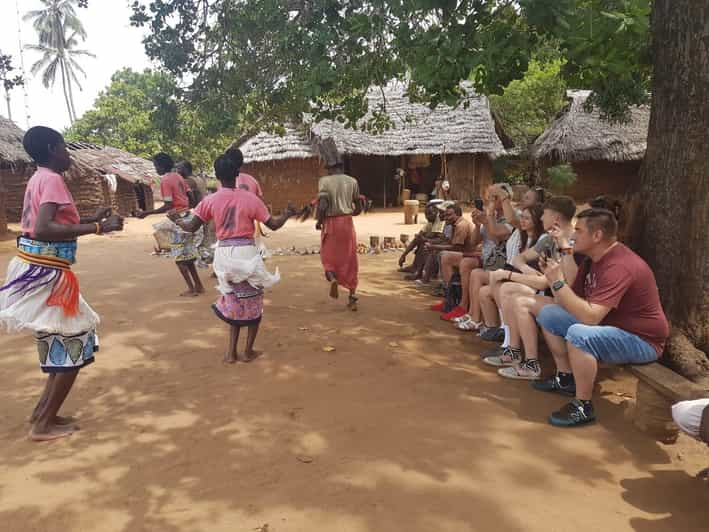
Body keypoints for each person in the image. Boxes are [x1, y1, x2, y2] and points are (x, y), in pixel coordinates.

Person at [0, 126, 124, 441]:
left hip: (39, 268)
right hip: (47, 272)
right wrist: (98, 226)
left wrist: (90, 217)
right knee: (75, 341)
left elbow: (54, 221)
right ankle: (42, 424)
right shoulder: (53, 179)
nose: (68, 154)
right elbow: (43, 228)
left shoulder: (39, 177)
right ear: (54, 148)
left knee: (59, 337)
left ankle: (43, 413)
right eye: (65, 148)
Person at [533, 208, 669, 427]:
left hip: (642, 340)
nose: (573, 235)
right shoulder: (592, 259)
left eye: (578, 230)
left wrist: (557, 282)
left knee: (579, 334)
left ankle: (583, 405)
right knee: (548, 314)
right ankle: (565, 377)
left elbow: (590, 317)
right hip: (610, 326)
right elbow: (574, 300)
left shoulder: (619, 265)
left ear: (596, 236)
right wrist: (555, 277)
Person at [171, 155, 296, 363]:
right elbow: (273, 224)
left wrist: (176, 220)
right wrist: (288, 213)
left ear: (217, 176)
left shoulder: (209, 201)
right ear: (238, 173)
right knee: (254, 302)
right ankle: (247, 351)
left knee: (233, 302)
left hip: (223, 254)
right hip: (246, 253)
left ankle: (230, 353)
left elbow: (191, 227)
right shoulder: (250, 199)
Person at [485, 195, 579, 379]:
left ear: (556, 218)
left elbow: (554, 281)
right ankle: (513, 350)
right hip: (552, 294)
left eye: (544, 214)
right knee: (507, 290)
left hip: (568, 300)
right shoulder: (548, 239)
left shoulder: (571, 243)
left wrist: (509, 274)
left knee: (519, 300)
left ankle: (531, 363)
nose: (542, 218)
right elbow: (520, 259)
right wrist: (528, 270)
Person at [137, 153, 205, 297]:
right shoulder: (179, 176)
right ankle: (198, 286)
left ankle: (192, 289)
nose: (155, 168)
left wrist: (147, 213)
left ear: (162, 166)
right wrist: (186, 208)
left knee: (180, 258)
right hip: (188, 217)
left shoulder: (166, 180)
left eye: (156, 166)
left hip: (177, 220)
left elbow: (167, 205)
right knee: (188, 256)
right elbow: (191, 197)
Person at [445, 184, 514, 323]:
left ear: (506, 198)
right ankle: (458, 304)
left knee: (470, 267)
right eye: (489, 198)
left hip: (500, 263)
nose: (491, 202)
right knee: (455, 259)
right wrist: (477, 224)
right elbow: (474, 242)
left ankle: (470, 312)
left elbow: (497, 238)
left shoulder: (512, 217)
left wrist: (487, 220)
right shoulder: (490, 215)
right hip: (487, 259)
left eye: (495, 198)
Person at [475, 203, 545, 339]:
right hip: (521, 279)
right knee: (485, 290)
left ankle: (506, 331)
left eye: (527, 218)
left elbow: (538, 276)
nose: (522, 221)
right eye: (522, 217)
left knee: (502, 286)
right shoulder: (522, 237)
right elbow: (517, 261)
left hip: (534, 285)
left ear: (537, 221)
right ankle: (495, 328)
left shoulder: (542, 240)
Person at [317, 161, 362, 310]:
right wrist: (350, 212)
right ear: (342, 168)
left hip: (331, 224)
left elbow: (323, 205)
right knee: (350, 260)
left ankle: (332, 278)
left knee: (328, 258)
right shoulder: (352, 181)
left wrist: (319, 221)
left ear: (330, 168)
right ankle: (352, 297)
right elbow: (358, 207)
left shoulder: (324, 181)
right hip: (347, 223)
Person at [426, 203, 478, 311]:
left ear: (458, 215)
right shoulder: (454, 225)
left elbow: (456, 248)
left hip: (471, 255)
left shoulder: (461, 225)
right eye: (445, 215)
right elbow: (451, 243)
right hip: (464, 254)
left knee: (444, 256)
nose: (446, 218)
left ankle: (451, 298)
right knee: (441, 254)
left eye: (449, 215)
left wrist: (435, 246)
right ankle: (449, 297)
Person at [398, 204, 445, 279]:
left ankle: (419, 272)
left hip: (442, 246)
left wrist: (425, 239)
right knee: (420, 241)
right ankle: (415, 266)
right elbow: (418, 237)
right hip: (436, 244)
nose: (427, 216)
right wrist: (404, 255)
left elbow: (439, 239)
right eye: (426, 214)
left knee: (425, 245)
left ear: (436, 213)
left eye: (430, 214)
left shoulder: (440, 221)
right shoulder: (430, 222)